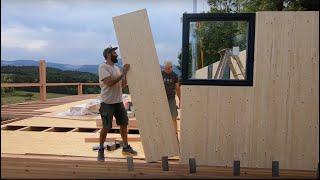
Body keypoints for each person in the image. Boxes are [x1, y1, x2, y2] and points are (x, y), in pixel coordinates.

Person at [97, 46, 137, 161]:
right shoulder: (103, 67)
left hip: (118, 102)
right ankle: (100, 149)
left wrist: (125, 76)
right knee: (106, 127)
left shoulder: (116, 68)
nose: (117, 55)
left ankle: (125, 147)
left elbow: (122, 85)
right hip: (107, 103)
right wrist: (123, 73)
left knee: (124, 124)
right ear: (109, 55)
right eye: (114, 53)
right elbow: (109, 83)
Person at [161, 61, 181, 134]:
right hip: (162, 98)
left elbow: (177, 88)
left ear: (171, 68)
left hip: (171, 98)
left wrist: (180, 100)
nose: (167, 70)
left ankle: (175, 133)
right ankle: (164, 134)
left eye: (169, 68)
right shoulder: (161, 74)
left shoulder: (174, 76)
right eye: (166, 68)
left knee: (173, 116)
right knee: (162, 117)